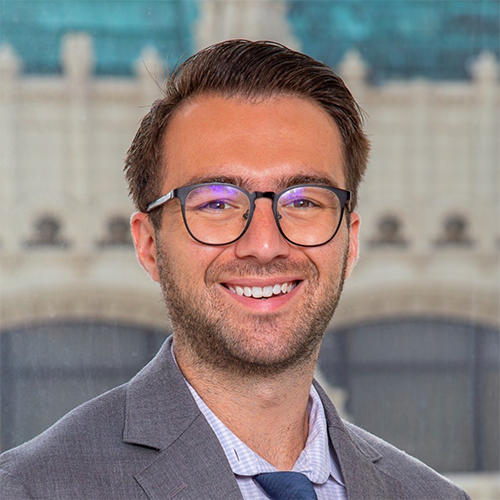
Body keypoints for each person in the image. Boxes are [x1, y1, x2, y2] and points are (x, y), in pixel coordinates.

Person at [0, 40, 470, 500]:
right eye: (217, 203)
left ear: (350, 241)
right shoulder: (31, 489)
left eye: (304, 201)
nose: (264, 244)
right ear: (148, 245)